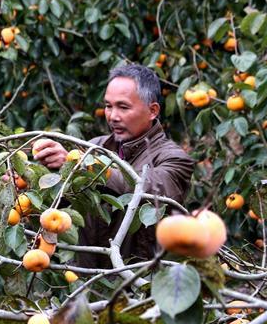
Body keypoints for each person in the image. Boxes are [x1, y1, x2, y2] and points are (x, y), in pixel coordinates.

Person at [33, 64, 194, 267]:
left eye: (123, 107)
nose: (113, 116)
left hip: (139, 284)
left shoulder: (175, 159)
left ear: (153, 111)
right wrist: (38, 177)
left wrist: (84, 166)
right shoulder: (94, 148)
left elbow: (150, 188)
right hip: (86, 281)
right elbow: (58, 205)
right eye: (109, 106)